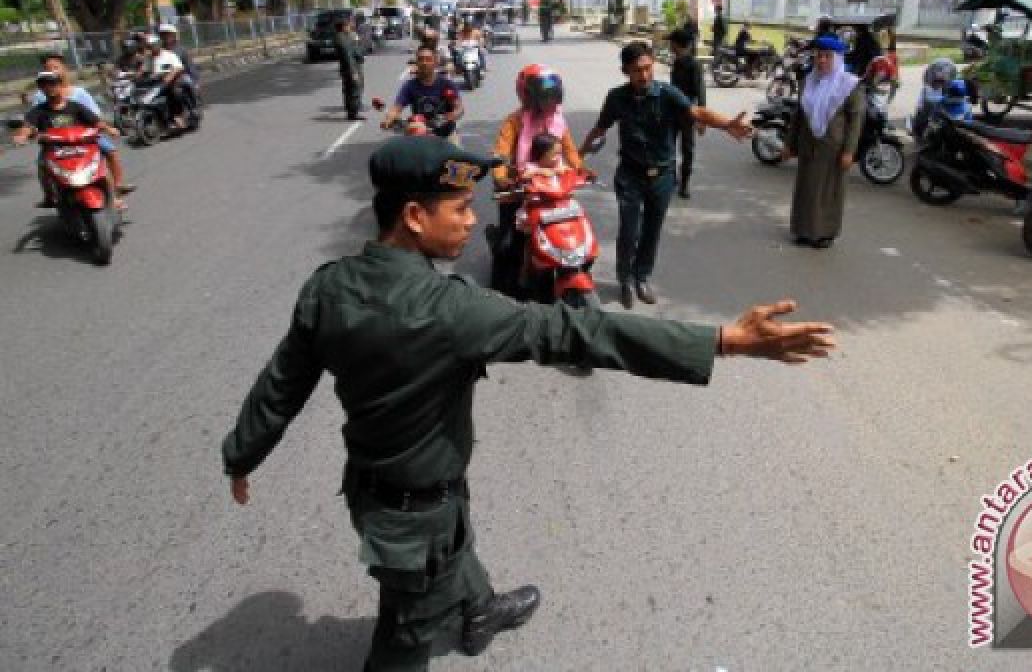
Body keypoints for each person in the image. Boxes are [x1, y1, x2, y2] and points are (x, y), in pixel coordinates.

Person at [219, 135, 837, 672]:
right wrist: (725, 340)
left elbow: (283, 381)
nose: (470, 221)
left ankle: (478, 608)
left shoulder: (327, 287)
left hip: (384, 491)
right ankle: (442, 619)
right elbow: (581, 332)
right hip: (412, 514)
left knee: (452, 543)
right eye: (459, 208)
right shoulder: (451, 311)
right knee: (403, 637)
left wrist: (241, 455)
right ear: (412, 215)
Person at [580, 41, 753, 309]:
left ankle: (642, 277)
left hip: (662, 177)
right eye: (637, 70)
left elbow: (697, 112)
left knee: (651, 231)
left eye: (648, 68)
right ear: (626, 70)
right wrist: (577, 158)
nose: (645, 75)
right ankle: (625, 279)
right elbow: (599, 130)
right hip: (630, 175)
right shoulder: (616, 98)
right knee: (629, 232)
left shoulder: (668, 95)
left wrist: (727, 124)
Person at [488, 64, 585, 296]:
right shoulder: (514, 121)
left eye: (553, 96)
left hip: (552, 188)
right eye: (544, 96)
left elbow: (570, 151)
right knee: (509, 245)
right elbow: (500, 154)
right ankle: (500, 292)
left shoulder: (559, 121)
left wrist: (582, 170)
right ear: (527, 95)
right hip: (519, 189)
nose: (549, 102)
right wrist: (502, 177)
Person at [783, 35, 865, 249]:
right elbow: (798, 117)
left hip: (833, 149)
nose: (821, 61)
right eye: (818, 56)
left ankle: (824, 233)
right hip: (808, 144)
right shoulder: (808, 82)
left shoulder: (850, 85)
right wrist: (789, 144)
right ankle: (802, 229)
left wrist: (849, 151)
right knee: (805, 189)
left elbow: (855, 121)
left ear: (837, 59)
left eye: (827, 56)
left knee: (829, 191)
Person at [12, 70, 130, 209]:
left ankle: (113, 198)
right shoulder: (38, 111)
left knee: (101, 168)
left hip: (84, 146)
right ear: (41, 88)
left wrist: (109, 129)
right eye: (44, 84)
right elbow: (28, 126)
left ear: (60, 85)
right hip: (54, 150)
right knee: (42, 165)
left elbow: (96, 122)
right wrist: (22, 136)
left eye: (52, 83)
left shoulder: (75, 106)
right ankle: (49, 196)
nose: (49, 87)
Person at [381, 45, 463, 141]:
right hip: (419, 134)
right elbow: (397, 107)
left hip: (446, 134)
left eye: (428, 59)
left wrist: (450, 116)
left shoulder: (447, 83)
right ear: (417, 63)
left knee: (456, 155)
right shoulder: (410, 85)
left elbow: (459, 108)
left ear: (435, 63)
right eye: (421, 59)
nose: (424, 63)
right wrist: (390, 117)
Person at [668, 28, 706, 199]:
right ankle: (672, 179)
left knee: (687, 150)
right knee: (668, 147)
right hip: (672, 111)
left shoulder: (694, 65)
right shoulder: (676, 62)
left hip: (688, 112)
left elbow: (701, 92)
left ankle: (684, 184)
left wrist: (702, 118)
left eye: (671, 42)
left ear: (677, 44)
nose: (669, 45)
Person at [140, 34, 191, 129]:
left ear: (158, 44)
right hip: (156, 83)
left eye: (152, 45)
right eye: (149, 46)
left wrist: (169, 76)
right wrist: (138, 75)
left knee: (174, 92)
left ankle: (178, 115)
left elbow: (179, 67)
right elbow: (143, 70)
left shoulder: (169, 55)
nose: (151, 48)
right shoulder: (149, 58)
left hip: (172, 81)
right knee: (144, 95)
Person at [158, 24, 200, 111]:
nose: (166, 37)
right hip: (164, 78)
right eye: (163, 35)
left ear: (173, 35)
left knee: (188, 83)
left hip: (181, 76)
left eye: (168, 34)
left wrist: (195, 82)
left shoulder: (181, 49)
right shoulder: (159, 50)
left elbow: (190, 66)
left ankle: (194, 106)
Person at [334, 19, 366, 121]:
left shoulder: (344, 37)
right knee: (354, 90)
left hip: (350, 68)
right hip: (351, 69)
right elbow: (348, 57)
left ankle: (352, 112)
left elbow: (355, 51)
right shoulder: (342, 39)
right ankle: (353, 113)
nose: (350, 27)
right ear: (343, 27)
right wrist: (353, 72)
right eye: (347, 25)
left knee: (350, 90)